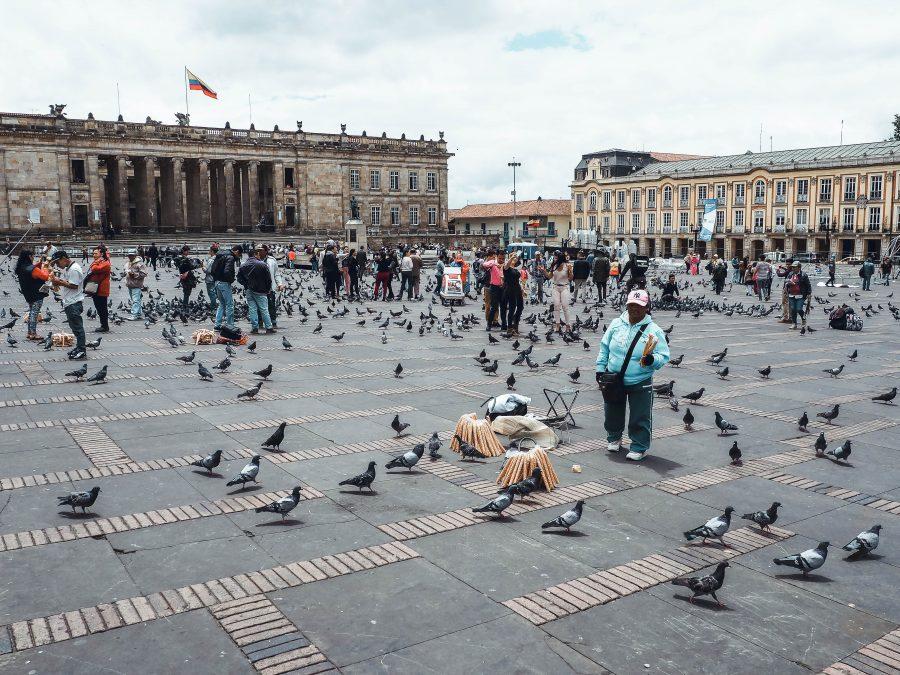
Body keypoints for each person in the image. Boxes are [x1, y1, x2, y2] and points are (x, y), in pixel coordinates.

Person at [595, 289, 670, 461]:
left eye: (640, 306)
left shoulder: (654, 330)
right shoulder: (616, 324)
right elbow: (604, 347)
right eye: (632, 305)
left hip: (640, 380)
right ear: (627, 305)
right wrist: (600, 369)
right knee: (612, 410)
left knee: (640, 415)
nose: (635, 309)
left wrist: (652, 359)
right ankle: (614, 437)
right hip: (614, 377)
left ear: (647, 308)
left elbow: (664, 356)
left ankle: (639, 446)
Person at [49, 250, 87, 360]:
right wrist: (59, 281)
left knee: (78, 328)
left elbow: (74, 285)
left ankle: (82, 350)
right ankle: (79, 347)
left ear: (64, 258)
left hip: (74, 302)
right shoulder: (69, 268)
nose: (57, 265)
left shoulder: (74, 269)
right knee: (75, 327)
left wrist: (59, 282)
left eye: (57, 262)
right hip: (70, 302)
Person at [15, 249, 50, 341]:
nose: (33, 257)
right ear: (30, 256)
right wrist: (46, 267)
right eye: (33, 256)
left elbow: (31, 269)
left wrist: (38, 265)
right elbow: (45, 276)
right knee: (34, 313)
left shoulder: (21, 267)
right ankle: (33, 334)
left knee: (31, 312)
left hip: (28, 294)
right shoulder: (33, 269)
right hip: (36, 294)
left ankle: (29, 333)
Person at [237, 247, 274, 333]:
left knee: (252, 309)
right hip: (260, 290)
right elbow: (268, 279)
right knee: (264, 309)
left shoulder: (243, 265)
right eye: (258, 254)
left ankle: (255, 328)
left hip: (249, 290)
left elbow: (239, 278)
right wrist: (268, 289)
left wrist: (246, 285)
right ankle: (268, 327)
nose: (260, 256)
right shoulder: (262, 264)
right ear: (255, 254)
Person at [212, 245, 241, 329]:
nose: (238, 257)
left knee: (222, 304)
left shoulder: (220, 255)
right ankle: (230, 325)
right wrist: (231, 280)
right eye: (239, 255)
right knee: (229, 304)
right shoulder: (230, 257)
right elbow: (227, 271)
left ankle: (217, 324)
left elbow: (212, 270)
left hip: (217, 282)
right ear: (237, 251)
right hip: (224, 283)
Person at [85, 245, 111, 332]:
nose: (94, 255)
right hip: (96, 288)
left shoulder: (105, 263)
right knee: (99, 307)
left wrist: (96, 262)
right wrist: (96, 261)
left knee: (102, 308)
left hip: (101, 289)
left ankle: (105, 326)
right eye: (93, 253)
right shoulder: (100, 261)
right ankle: (103, 324)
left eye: (96, 253)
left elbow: (94, 268)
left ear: (102, 254)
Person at [547, 249, 573, 333]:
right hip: (555, 287)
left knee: (565, 306)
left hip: (564, 287)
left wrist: (570, 271)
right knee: (556, 306)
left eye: (555, 258)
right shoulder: (553, 266)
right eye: (554, 258)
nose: (554, 259)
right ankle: (557, 325)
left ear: (560, 258)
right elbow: (549, 277)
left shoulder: (567, 266)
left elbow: (571, 278)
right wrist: (543, 271)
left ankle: (568, 325)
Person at [482, 250, 506, 331]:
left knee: (503, 306)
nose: (501, 260)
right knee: (494, 307)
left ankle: (504, 324)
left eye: (503, 258)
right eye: (500, 258)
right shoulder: (493, 262)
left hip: (503, 287)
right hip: (494, 287)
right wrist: (495, 263)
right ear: (497, 257)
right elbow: (484, 264)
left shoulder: (505, 264)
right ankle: (489, 324)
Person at [785, 261, 812, 330]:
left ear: (799, 268)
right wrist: (789, 283)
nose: (793, 269)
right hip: (791, 294)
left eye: (795, 267)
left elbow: (808, 285)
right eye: (793, 267)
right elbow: (786, 281)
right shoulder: (790, 274)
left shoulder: (804, 275)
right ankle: (794, 323)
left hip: (800, 295)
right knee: (793, 309)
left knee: (799, 309)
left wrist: (809, 293)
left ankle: (803, 319)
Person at [503, 253, 524, 336]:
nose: (515, 258)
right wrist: (511, 258)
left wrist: (522, 289)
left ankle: (515, 325)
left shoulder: (515, 269)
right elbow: (506, 267)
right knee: (512, 308)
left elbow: (517, 280)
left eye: (516, 257)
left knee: (520, 307)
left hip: (517, 289)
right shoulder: (506, 268)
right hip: (510, 289)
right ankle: (509, 328)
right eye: (513, 256)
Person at [124, 251, 148, 320]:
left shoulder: (140, 264)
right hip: (130, 284)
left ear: (135, 255)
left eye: (131, 255)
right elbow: (126, 271)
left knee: (135, 300)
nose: (129, 257)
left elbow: (144, 274)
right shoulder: (128, 263)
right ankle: (138, 313)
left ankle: (134, 314)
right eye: (129, 255)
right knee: (136, 300)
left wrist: (134, 274)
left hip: (136, 285)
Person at [263, 244, 283, 328]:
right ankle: (259, 323)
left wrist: (280, 284)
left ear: (266, 251)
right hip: (257, 288)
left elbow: (276, 274)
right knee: (258, 307)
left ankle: (273, 322)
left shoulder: (272, 260)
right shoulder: (254, 260)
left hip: (270, 287)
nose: (260, 252)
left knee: (271, 305)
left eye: (262, 250)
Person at [176, 245, 197, 312]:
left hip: (182, 276)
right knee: (187, 293)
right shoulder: (186, 259)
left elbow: (179, 266)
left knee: (186, 292)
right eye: (187, 251)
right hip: (188, 277)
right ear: (184, 251)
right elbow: (192, 267)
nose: (188, 252)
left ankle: (185, 306)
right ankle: (185, 307)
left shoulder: (179, 259)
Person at [204, 244, 219, 314]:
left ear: (212, 251)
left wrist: (202, 266)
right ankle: (215, 306)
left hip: (210, 279)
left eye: (210, 250)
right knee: (214, 293)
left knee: (211, 294)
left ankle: (213, 307)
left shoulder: (211, 260)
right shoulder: (218, 258)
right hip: (216, 278)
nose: (209, 252)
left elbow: (207, 270)